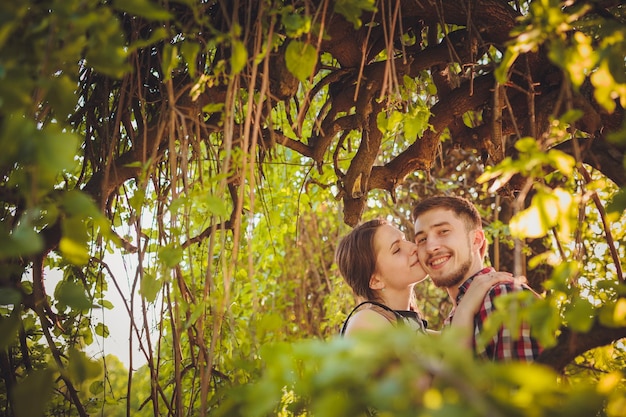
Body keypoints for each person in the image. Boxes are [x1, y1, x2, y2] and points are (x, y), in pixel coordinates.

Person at [335, 218, 520, 343]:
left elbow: (462, 343)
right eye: (396, 249)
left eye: (405, 240)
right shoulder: (367, 322)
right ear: (375, 281)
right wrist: (465, 308)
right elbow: (424, 398)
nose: (413, 247)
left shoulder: (412, 329)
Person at [411, 195, 543, 361]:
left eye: (443, 231)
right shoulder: (455, 318)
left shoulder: (505, 297)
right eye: (422, 239)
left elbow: (525, 385)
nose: (430, 247)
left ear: (476, 240)